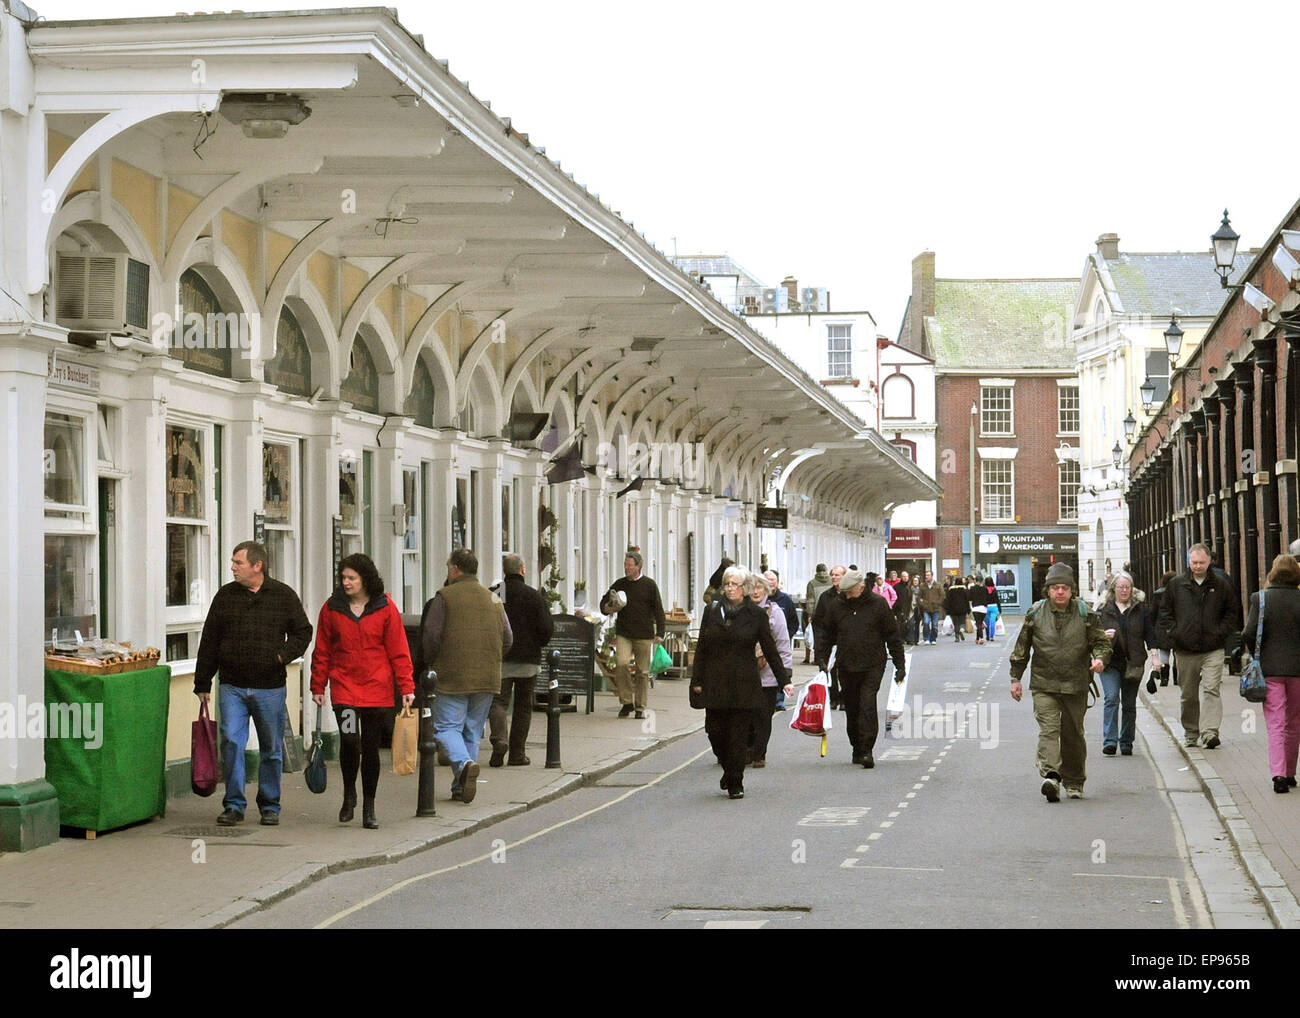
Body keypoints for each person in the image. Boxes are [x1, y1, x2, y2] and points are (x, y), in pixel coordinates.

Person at [194, 541, 313, 827]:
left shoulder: (283, 596)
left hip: (269, 687)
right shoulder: (225, 596)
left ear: (257, 566)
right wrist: (202, 682)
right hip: (231, 685)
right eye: (233, 562)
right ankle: (234, 805)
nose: (233, 567)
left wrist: (281, 656)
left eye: (238, 562)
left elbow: (303, 632)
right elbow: (209, 639)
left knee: (271, 748)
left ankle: (270, 805)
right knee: (232, 742)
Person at [310, 553, 414, 829]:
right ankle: (348, 794)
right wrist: (318, 684)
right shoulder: (332, 608)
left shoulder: (385, 607)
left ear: (365, 579)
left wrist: (406, 686)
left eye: (351, 578)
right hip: (344, 686)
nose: (346, 582)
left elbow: (398, 649)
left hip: (376, 688)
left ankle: (369, 805)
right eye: (343, 577)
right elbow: (322, 650)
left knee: (369, 747)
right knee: (349, 741)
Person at [1009, 562, 1110, 802]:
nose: (1060, 592)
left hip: (1076, 683)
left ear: (1072, 590)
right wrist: (1016, 678)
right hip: (1044, 683)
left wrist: (1100, 659)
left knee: (1073, 733)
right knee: (1049, 729)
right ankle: (1052, 777)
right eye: (1055, 588)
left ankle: (1074, 781)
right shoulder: (1035, 613)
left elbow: (1101, 642)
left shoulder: (1085, 613)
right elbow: (1022, 648)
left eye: (1065, 587)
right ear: (1048, 590)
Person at [691, 567, 791, 799]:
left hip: (744, 684)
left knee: (737, 736)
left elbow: (769, 648)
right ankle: (729, 768)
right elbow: (702, 647)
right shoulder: (712, 611)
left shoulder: (756, 615)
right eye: (727, 584)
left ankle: (735, 781)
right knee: (715, 732)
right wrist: (696, 679)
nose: (730, 588)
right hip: (715, 682)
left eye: (735, 584)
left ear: (744, 588)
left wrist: (784, 679)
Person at [421, 548, 512, 804]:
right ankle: (459, 787)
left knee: (446, 728)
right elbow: (508, 638)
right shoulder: (494, 599)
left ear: (455, 570)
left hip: (452, 676)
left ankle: (464, 765)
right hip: (488, 677)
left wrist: (430, 662)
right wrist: (491, 658)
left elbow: (431, 637)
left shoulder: (444, 597)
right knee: (472, 730)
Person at [817, 567, 907, 769]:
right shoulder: (837, 606)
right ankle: (856, 746)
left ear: (861, 587)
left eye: (850, 592)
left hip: (873, 664)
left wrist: (900, 665)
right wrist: (821, 660)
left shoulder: (878, 604)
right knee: (852, 707)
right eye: (844, 593)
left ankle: (867, 750)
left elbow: (892, 636)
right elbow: (827, 636)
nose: (847, 596)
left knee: (867, 704)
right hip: (846, 664)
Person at [1157, 542, 1240, 749]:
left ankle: (1210, 731)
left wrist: (1220, 633)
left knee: (1212, 688)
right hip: (1185, 650)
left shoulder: (1221, 585)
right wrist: (1175, 633)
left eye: (1201, 562)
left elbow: (1232, 612)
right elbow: (1164, 613)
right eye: (1194, 562)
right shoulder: (1176, 585)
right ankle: (1191, 732)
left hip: (1213, 648)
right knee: (1188, 694)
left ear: (1209, 561)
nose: (1197, 566)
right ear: (1188, 561)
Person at [488, 553, 554, 768]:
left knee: (498, 702)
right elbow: (546, 629)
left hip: (501, 658)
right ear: (523, 570)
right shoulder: (533, 595)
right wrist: (538, 644)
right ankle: (517, 754)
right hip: (528, 660)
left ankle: (499, 740)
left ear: (505, 572)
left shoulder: (497, 593)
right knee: (523, 707)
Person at [1242, 554, 1300, 794]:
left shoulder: (1261, 598)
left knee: (1275, 723)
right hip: (1298, 670)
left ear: (1273, 572)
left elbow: (1248, 632)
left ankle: (1278, 775)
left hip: (1270, 671)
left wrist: (1259, 652)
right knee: (1294, 722)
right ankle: (1290, 772)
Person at [1095, 571, 1159, 758]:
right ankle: (1110, 742)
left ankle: (1126, 742)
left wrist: (1155, 656)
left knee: (1129, 704)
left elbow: (1149, 634)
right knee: (1112, 697)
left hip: (1133, 663)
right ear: (1113, 589)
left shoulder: (1141, 609)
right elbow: (1091, 634)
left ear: (1132, 589)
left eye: (1127, 587)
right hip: (1110, 662)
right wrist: (1102, 636)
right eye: (1120, 587)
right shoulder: (1103, 609)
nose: (1124, 590)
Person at [600, 549, 666, 719]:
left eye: (629, 565)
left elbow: (658, 609)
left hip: (644, 634)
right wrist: (607, 608)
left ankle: (640, 707)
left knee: (642, 672)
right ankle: (626, 701)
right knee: (621, 665)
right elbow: (604, 603)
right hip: (624, 632)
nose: (626, 568)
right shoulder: (620, 584)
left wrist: (660, 631)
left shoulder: (649, 585)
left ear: (638, 567)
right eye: (625, 565)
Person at [748, 572, 793, 768]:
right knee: (746, 714)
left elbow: (783, 644)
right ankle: (747, 749)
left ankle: (759, 753)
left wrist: (785, 673)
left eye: (760, 587)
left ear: (767, 590)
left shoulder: (775, 612)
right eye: (752, 587)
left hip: (768, 673)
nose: (756, 591)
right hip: (745, 672)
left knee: (763, 715)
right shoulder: (742, 610)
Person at [812, 564, 847, 708]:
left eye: (837, 575)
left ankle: (844, 698)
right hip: (829, 640)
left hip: (846, 640)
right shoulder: (826, 596)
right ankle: (833, 698)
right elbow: (818, 619)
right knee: (829, 670)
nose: (833, 577)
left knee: (845, 671)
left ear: (844, 577)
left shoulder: (849, 594)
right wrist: (819, 640)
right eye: (832, 575)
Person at [804, 563, 834, 663]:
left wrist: (809, 614)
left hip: (818, 613)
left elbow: (810, 600)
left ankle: (818, 658)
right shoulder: (832, 581)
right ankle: (829, 657)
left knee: (818, 636)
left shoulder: (812, 583)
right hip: (831, 612)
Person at [763, 569, 800, 646]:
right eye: (767, 580)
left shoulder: (786, 599)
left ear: (777, 582)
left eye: (772, 580)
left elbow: (794, 623)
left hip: (781, 644)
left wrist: (785, 636)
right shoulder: (758, 599)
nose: (770, 582)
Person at [916, 569, 944, 645]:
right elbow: (919, 597)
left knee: (935, 625)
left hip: (935, 608)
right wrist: (922, 604)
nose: (926, 577)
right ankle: (926, 638)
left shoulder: (938, 585)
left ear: (932, 576)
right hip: (926, 609)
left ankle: (933, 639)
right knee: (926, 623)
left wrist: (938, 603)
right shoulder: (922, 586)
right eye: (926, 575)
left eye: (928, 575)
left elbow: (942, 596)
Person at [944, 575, 970, 642]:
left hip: (953, 609)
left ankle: (957, 637)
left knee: (956, 624)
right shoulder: (964, 589)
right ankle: (961, 629)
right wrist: (968, 609)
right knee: (961, 622)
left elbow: (948, 600)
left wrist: (947, 610)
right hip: (962, 609)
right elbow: (967, 600)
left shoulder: (951, 589)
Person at [893, 570, 914, 646]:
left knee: (910, 624)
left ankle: (910, 639)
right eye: (904, 576)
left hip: (909, 608)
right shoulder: (896, 587)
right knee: (901, 625)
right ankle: (901, 639)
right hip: (899, 608)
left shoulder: (911, 587)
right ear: (901, 577)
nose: (905, 578)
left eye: (906, 576)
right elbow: (894, 598)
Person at [969, 575, 989, 644]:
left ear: (975, 580)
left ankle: (981, 638)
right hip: (984, 608)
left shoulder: (972, 588)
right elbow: (987, 598)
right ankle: (977, 639)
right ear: (982, 581)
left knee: (978, 623)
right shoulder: (985, 588)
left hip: (976, 608)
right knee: (979, 623)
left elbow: (970, 598)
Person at [983, 575, 1000, 643]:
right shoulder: (994, 589)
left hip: (986, 607)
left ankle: (987, 636)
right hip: (994, 607)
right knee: (993, 622)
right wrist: (1000, 609)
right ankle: (992, 636)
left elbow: (983, 599)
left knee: (987, 622)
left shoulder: (984, 589)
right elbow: (997, 600)